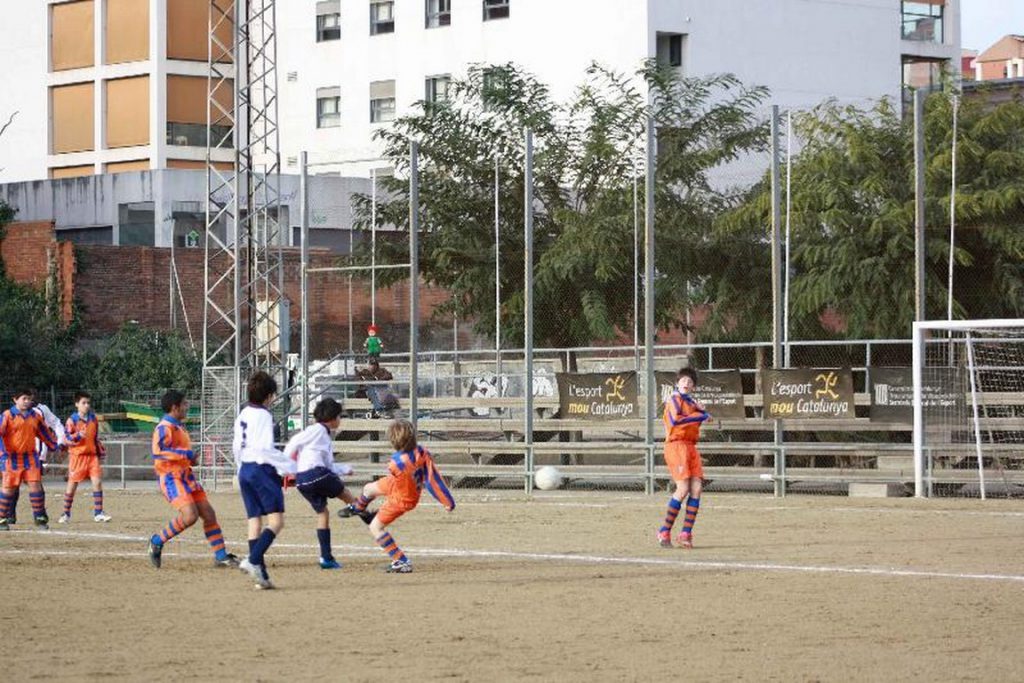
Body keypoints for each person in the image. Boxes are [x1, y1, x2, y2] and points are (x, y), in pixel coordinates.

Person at [342, 418, 455, 573]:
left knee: (375, 527)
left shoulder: (396, 463)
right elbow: (432, 479)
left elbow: (402, 473)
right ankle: (358, 508)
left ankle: (401, 561)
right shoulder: (422, 452)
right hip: (400, 485)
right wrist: (447, 501)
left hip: (402, 498)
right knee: (368, 488)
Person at [147, 390, 239, 569]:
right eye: (184, 404)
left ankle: (221, 556)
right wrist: (185, 454)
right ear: (175, 407)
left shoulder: (180, 427)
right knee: (190, 516)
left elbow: (179, 454)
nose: (187, 407)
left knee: (209, 514)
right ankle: (156, 541)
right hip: (171, 478)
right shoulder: (164, 427)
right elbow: (159, 452)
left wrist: (191, 460)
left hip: (186, 476)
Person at [283, 397, 371, 573]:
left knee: (323, 513)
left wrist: (344, 469)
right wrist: (284, 465)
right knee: (346, 495)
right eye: (339, 416)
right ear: (332, 418)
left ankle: (326, 558)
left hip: (303, 480)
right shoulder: (317, 430)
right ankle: (370, 519)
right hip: (316, 474)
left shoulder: (323, 434)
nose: (340, 420)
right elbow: (294, 442)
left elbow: (329, 466)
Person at [234, 372, 296, 590]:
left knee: (254, 521)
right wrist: (290, 466)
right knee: (276, 522)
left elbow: (236, 446)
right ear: (269, 396)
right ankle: (253, 560)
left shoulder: (243, 413)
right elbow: (265, 449)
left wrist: (241, 469)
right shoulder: (264, 415)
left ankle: (261, 576)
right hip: (261, 469)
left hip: (245, 469)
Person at [656, 368, 709, 549]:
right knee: (683, 488)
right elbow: (676, 421)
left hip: (690, 447)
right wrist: (699, 415)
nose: (687, 383)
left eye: (690, 381)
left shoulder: (692, 403)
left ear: (694, 387)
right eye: (684, 380)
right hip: (676, 446)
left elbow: (696, 421)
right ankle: (664, 530)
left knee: (696, 488)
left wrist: (702, 413)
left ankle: (685, 533)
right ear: (677, 383)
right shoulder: (674, 400)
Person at [5, 389, 68, 525]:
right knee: (12, 486)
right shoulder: (9, 415)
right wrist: (3, 452)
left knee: (36, 484)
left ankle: (39, 515)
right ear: (16, 399)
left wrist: (58, 444)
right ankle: (7, 515)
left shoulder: (39, 412)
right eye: (24, 398)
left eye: (30, 398)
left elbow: (51, 428)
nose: (28, 401)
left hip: (34, 456)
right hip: (13, 457)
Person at [59, 391, 111, 524]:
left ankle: (98, 513)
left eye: (88, 403)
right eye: (83, 403)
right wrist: (78, 435)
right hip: (78, 457)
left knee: (97, 482)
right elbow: (67, 437)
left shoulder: (93, 419)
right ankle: (66, 513)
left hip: (92, 457)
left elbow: (95, 438)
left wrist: (99, 450)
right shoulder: (72, 420)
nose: (86, 405)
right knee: (72, 485)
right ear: (77, 404)